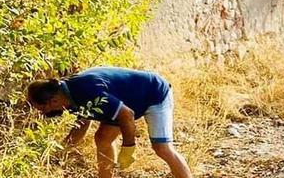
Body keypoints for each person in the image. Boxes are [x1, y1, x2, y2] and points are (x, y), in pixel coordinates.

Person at [27, 67, 193, 178]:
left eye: (41, 109)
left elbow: (126, 115)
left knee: (162, 148)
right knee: (102, 138)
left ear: (53, 101)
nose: (41, 113)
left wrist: (129, 148)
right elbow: (83, 122)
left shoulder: (85, 90)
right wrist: (60, 151)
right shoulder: (66, 95)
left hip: (154, 93)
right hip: (126, 101)